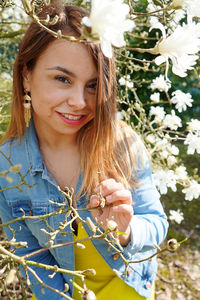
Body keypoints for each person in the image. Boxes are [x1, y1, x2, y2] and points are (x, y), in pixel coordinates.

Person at [0, 2, 168, 300]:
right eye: (62, 79)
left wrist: (127, 230)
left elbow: (157, 225)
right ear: (27, 75)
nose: (80, 101)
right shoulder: (7, 166)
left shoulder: (122, 144)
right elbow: (34, 258)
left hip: (131, 288)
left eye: (92, 85)